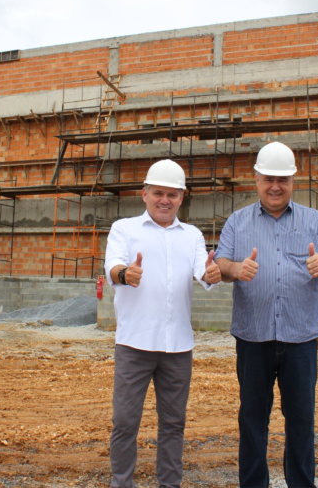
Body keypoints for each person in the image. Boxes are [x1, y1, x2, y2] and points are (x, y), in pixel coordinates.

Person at [214, 141, 318, 488]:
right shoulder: (237, 221)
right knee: (252, 420)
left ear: (292, 182)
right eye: (269, 179)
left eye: (283, 180)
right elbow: (220, 263)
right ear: (256, 179)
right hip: (252, 338)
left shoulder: (313, 220)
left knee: (301, 420)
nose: (275, 186)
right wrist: (235, 268)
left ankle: (301, 484)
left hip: (300, 338)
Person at [104, 159, 220, 488]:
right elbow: (112, 267)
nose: (164, 200)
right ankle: (121, 483)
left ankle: (170, 484)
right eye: (158, 193)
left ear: (182, 197)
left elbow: (204, 271)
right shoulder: (124, 229)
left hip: (178, 347)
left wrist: (213, 273)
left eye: (172, 194)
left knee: (173, 423)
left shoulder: (192, 236)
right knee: (125, 422)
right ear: (144, 194)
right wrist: (126, 274)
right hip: (134, 345)